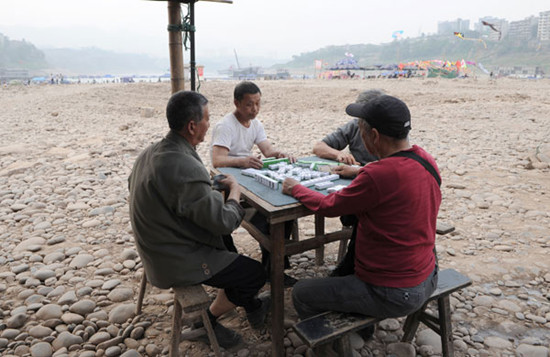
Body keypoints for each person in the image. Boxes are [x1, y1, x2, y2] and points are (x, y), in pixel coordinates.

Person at [282, 95, 441, 341]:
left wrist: (295, 188)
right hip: (428, 275)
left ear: (374, 136)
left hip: (393, 291)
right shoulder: (425, 159)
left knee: (302, 293)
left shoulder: (377, 175)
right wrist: (359, 171)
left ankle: (334, 346)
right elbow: (395, 175)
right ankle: (359, 325)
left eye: (361, 130)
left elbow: (327, 205)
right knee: (348, 264)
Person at [128, 91, 270, 349]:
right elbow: (225, 221)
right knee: (254, 273)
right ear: (192, 126)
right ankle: (206, 321)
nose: (209, 124)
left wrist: (209, 187)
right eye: (206, 119)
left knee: (227, 245)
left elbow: (176, 190)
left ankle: (249, 303)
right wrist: (234, 191)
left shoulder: (152, 152)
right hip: (171, 258)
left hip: (155, 243)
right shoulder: (183, 164)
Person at [211, 81, 298, 287]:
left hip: (248, 176)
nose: (255, 109)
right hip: (228, 184)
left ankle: (273, 267)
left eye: (258, 104)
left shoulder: (256, 125)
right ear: (236, 103)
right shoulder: (225, 125)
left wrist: (279, 153)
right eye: (249, 104)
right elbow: (217, 160)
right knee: (267, 218)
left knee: (283, 210)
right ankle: (259, 265)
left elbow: (267, 150)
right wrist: (242, 160)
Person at [312, 89, 385, 276]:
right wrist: (339, 154)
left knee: (363, 215)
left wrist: (357, 171)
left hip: (378, 195)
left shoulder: (389, 133)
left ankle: (348, 270)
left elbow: (391, 171)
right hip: (358, 190)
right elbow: (318, 146)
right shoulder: (354, 126)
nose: (360, 124)